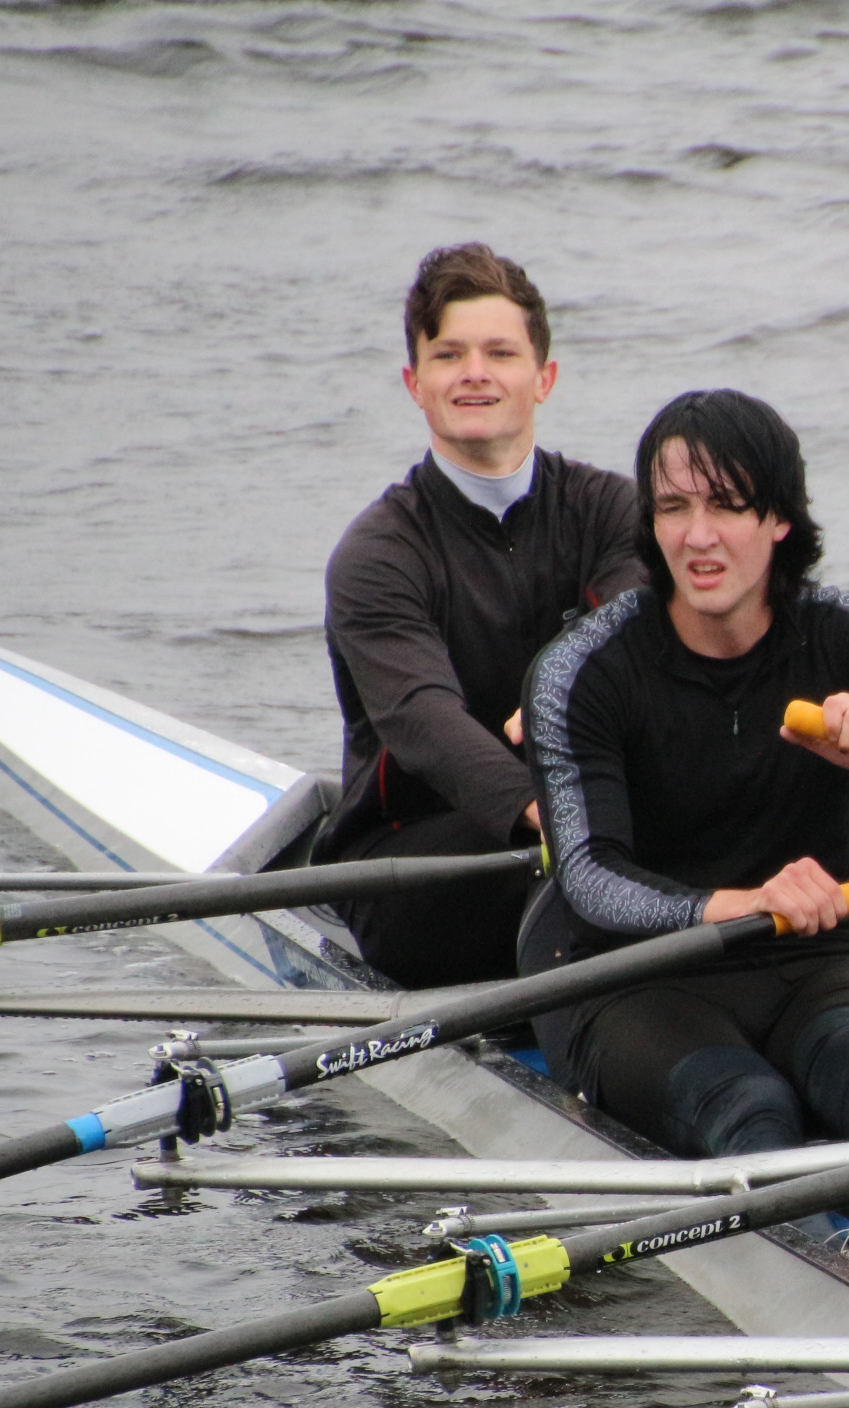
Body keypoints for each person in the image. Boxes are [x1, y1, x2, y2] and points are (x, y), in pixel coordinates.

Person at [518, 388, 849, 1162]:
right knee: (751, 1107)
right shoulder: (580, 669)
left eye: (726, 505)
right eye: (673, 508)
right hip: (629, 978)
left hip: (813, 965)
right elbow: (590, 878)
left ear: (779, 518)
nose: (698, 537)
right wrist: (749, 903)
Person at [316, 242, 648, 987]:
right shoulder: (378, 553)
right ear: (415, 383)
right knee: (608, 875)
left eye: (500, 352)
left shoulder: (614, 511)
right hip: (412, 859)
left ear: (543, 378)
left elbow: (635, 621)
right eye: (449, 354)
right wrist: (552, 811)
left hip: (588, 829)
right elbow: (424, 721)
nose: (474, 372)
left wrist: (563, 697)